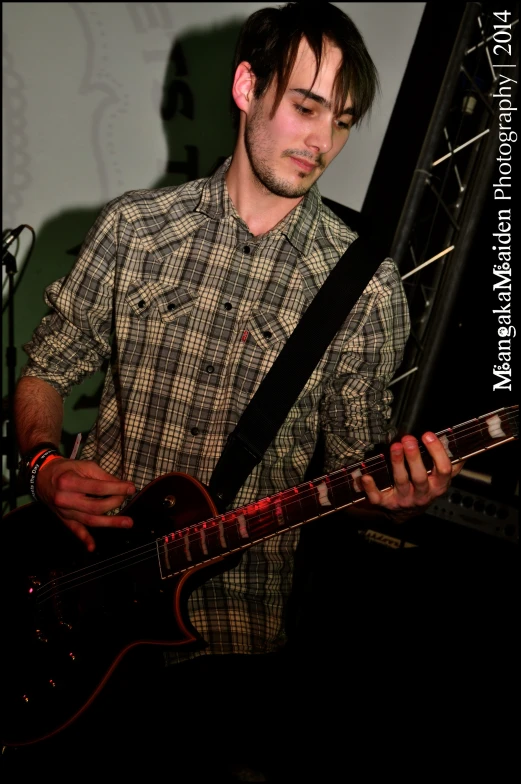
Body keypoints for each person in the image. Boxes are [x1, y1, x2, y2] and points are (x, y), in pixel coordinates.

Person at [11, 3, 461, 780]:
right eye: (306, 107)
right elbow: (44, 371)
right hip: (77, 595)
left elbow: (355, 475)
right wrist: (44, 466)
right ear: (247, 85)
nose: (322, 142)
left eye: (343, 120)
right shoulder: (135, 231)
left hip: (231, 645)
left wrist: (394, 498)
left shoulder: (365, 287)